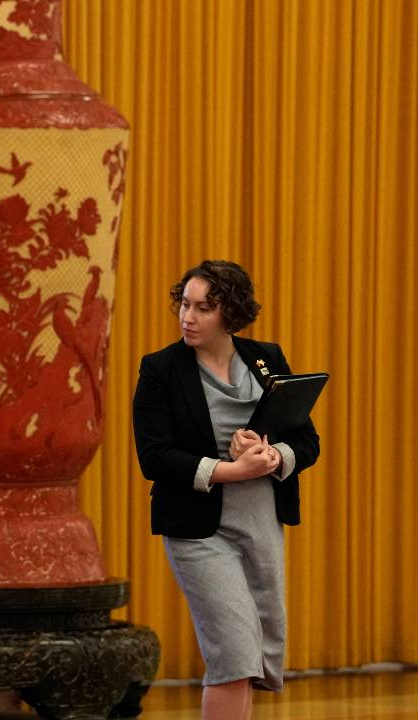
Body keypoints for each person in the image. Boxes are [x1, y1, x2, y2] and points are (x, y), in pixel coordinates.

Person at [132, 260, 320, 720]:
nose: (187, 317)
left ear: (230, 314)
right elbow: (154, 457)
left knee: (253, 654)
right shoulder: (161, 369)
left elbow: (306, 441)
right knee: (234, 654)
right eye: (185, 304)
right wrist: (233, 470)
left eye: (203, 308)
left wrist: (272, 457)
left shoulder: (266, 359)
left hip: (260, 523)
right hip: (199, 531)